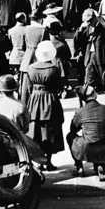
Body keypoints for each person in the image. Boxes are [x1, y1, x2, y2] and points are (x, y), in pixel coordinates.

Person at [67, 85, 105, 180]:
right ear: (95, 95)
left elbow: (73, 129)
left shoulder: (80, 111)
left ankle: (79, 167)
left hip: (86, 148)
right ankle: (102, 166)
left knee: (70, 136)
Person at [27, 40, 64, 171]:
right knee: (50, 130)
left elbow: (28, 87)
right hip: (50, 100)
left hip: (35, 100)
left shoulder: (30, 68)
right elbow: (59, 86)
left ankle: (39, 160)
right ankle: (48, 160)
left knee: (36, 129)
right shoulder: (54, 69)